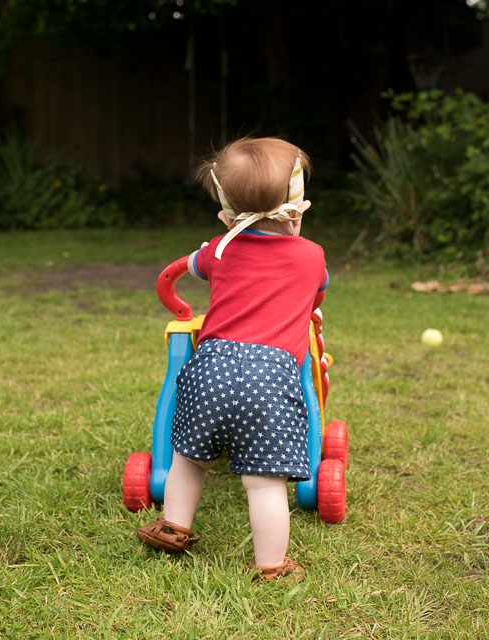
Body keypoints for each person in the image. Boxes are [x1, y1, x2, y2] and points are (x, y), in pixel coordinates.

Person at [136, 137, 328, 582]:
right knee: (263, 483)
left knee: (189, 458)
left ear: (226, 216)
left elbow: (180, 270)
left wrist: (206, 253)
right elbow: (318, 291)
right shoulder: (311, 256)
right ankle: (272, 566)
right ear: (297, 212)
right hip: (270, 377)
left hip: (210, 368)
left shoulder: (219, 250)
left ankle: (173, 526)